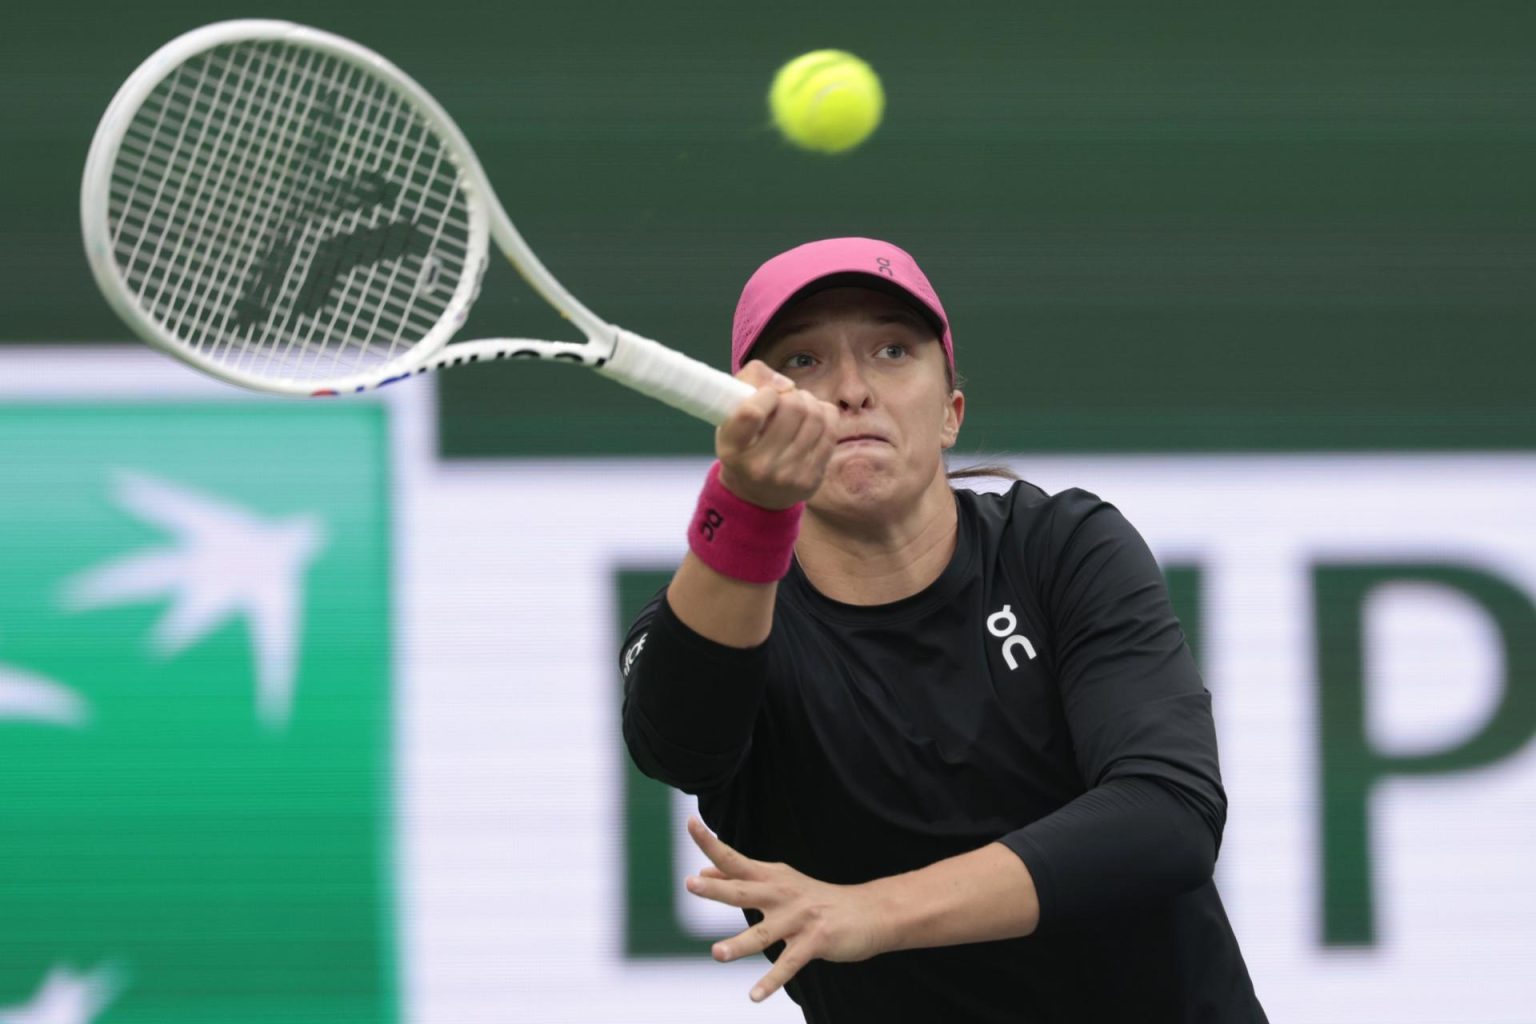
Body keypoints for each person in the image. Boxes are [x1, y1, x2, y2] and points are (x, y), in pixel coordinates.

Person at [619, 237, 1268, 1022]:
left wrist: (871, 912)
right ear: (746, 414)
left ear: (951, 412)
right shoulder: (725, 620)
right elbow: (676, 744)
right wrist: (747, 504)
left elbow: (1168, 817)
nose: (851, 389)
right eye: (802, 362)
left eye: (892, 349)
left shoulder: (1062, 549)